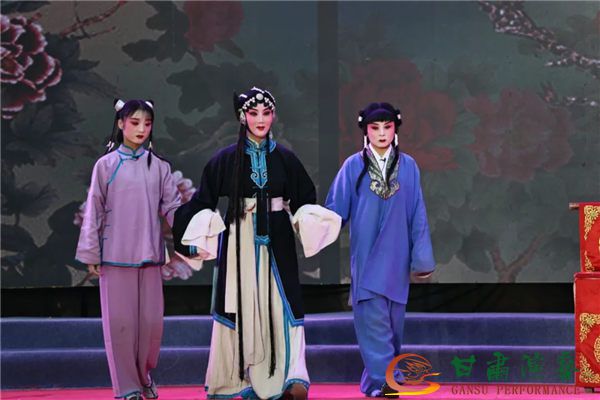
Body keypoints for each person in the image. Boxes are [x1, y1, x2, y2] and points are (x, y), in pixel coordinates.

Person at [172, 87, 340, 400]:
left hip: (277, 237)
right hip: (239, 238)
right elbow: (203, 201)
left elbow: (304, 198)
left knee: (283, 303)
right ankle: (240, 380)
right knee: (240, 302)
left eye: (266, 113)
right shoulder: (225, 159)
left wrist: (309, 218)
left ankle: (292, 377)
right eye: (253, 113)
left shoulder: (285, 158)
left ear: (273, 115)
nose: (260, 119)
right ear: (242, 117)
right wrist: (191, 232)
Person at [325, 102, 435, 397]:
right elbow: (335, 210)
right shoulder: (353, 166)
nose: (382, 133)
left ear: (395, 129)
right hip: (368, 258)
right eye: (375, 128)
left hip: (397, 257)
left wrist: (422, 258)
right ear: (366, 131)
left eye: (387, 127)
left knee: (392, 329)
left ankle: (374, 380)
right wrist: (311, 225)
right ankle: (386, 382)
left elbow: (417, 213)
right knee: (373, 324)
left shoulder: (409, 166)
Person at [76, 99, 181, 400]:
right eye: (134, 122)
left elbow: (173, 207)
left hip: (149, 256)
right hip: (115, 256)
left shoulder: (159, 166)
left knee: (151, 326)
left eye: (147, 123)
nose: (141, 129)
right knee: (120, 326)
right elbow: (94, 210)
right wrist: (91, 253)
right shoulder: (106, 165)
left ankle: (143, 376)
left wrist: (196, 234)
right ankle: (128, 387)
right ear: (121, 124)